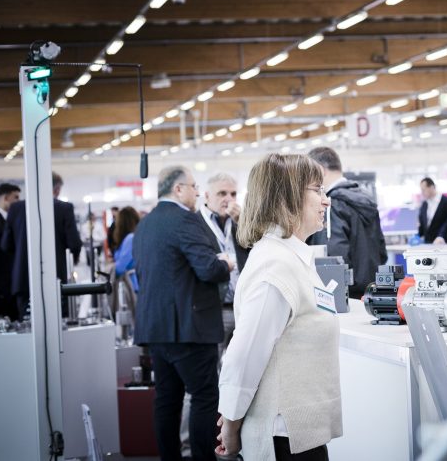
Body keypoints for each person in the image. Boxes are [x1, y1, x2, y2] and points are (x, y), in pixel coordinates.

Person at [216, 154, 341, 461]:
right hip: (284, 438)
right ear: (286, 196)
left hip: (298, 434)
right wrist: (230, 427)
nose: (326, 202)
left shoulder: (292, 257)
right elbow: (244, 356)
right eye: (317, 190)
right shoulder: (276, 264)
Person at [133, 165, 234, 461]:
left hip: (156, 329)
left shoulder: (145, 224)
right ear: (178, 189)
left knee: (167, 400)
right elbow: (208, 269)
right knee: (204, 398)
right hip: (189, 328)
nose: (198, 192)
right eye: (193, 186)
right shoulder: (185, 221)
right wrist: (225, 263)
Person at [305, 147, 387, 299]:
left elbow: (334, 253)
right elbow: (381, 248)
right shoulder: (367, 199)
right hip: (373, 289)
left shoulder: (333, 204)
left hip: (346, 292)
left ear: (321, 171)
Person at [2, 172, 82, 318]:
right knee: (57, 326)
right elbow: (74, 243)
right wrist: (74, 259)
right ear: (57, 189)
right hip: (55, 278)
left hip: (23, 280)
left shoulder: (15, 209)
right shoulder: (64, 208)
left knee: (27, 328)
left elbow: (6, 245)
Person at [198, 172, 251, 353]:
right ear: (207, 196)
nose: (228, 199)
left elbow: (256, 247)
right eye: (222, 193)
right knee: (213, 364)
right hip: (214, 308)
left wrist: (244, 222)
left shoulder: (240, 222)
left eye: (233, 194)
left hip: (243, 306)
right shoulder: (195, 224)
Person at [0, 183, 21, 318]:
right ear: (6, 198)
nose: (18, 201)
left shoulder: (9, 220)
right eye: (16, 197)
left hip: (10, 285)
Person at [417, 177, 447, 244]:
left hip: (443, 244)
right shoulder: (424, 204)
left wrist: (442, 237)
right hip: (427, 244)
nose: (422, 193)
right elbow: (423, 226)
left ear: (431, 187)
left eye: (423, 190)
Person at [113, 206, 140, 292]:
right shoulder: (134, 236)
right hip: (134, 285)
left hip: (133, 287)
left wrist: (108, 269)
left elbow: (120, 267)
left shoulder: (130, 239)